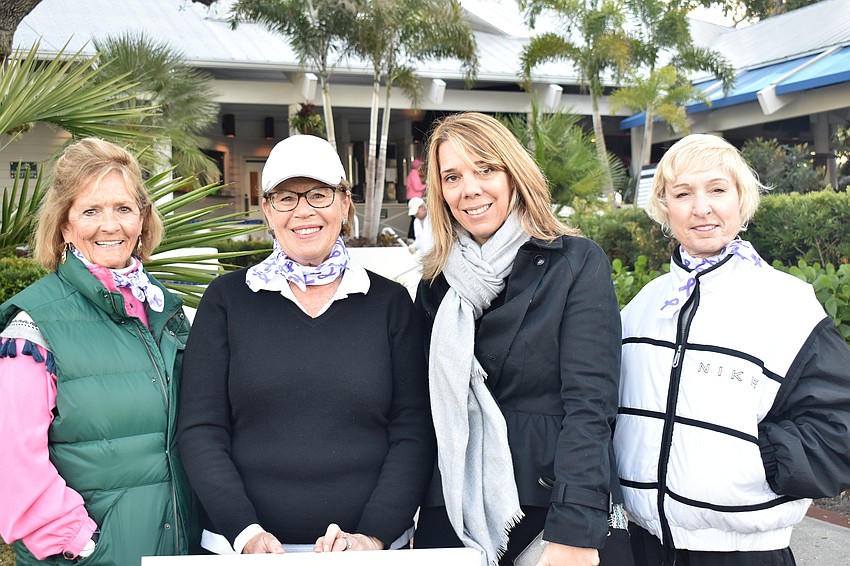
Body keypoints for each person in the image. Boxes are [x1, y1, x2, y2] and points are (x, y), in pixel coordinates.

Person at [176, 134, 435, 555]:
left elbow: (413, 430)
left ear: (345, 202)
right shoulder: (227, 299)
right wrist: (244, 533)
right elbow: (201, 428)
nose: (304, 211)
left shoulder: (389, 303)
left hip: (369, 552)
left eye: (319, 194)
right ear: (266, 209)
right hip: (243, 551)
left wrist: (373, 536)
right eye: (286, 198)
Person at [613, 133, 850, 566]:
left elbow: (838, 421)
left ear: (742, 200)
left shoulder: (788, 304)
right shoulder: (643, 305)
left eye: (718, 189)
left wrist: (760, 463)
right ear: (665, 208)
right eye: (683, 193)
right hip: (644, 545)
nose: (701, 207)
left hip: (744, 552)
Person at [412, 112, 631, 566]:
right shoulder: (436, 284)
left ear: (514, 174)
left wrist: (575, 529)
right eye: (452, 176)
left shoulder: (573, 262)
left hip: (545, 506)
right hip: (451, 507)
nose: (469, 188)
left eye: (485, 168)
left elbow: (591, 406)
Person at [0, 138, 198, 564]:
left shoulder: (168, 311)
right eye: (91, 211)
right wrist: (85, 545)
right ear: (65, 226)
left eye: (124, 209)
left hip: (181, 547)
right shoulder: (33, 326)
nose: (111, 225)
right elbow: (13, 464)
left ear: (142, 220)